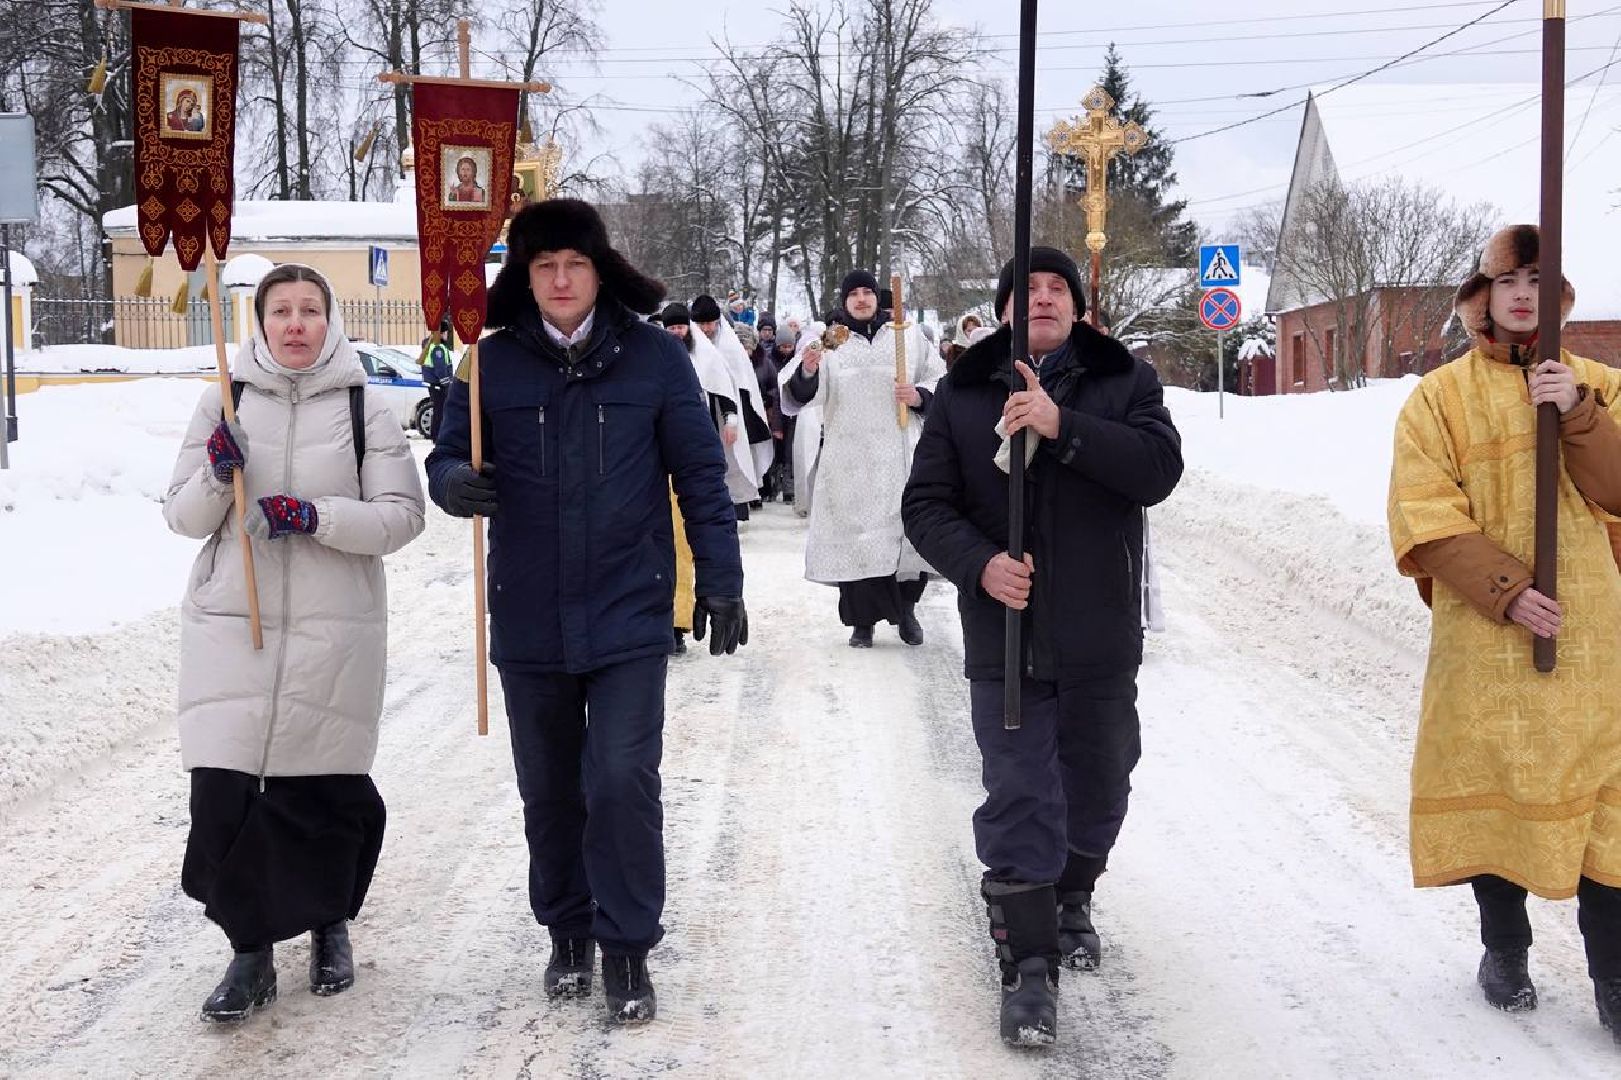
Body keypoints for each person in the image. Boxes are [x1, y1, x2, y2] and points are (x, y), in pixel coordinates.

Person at [425, 199, 747, 1026]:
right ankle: (567, 931)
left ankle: (627, 944)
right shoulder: (489, 363)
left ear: (600, 272)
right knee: (549, 789)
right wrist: (454, 483)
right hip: (529, 610)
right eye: (545, 266)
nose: (561, 280)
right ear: (525, 277)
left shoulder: (655, 359)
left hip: (629, 607)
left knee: (620, 779)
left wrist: (721, 580)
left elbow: (699, 475)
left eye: (574, 264)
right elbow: (447, 455)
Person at [901, 246, 1182, 1046]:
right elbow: (925, 506)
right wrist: (979, 565)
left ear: (1079, 306)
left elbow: (1157, 470)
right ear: (1002, 310)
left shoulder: (1125, 382)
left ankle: (1071, 894)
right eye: (1027, 289)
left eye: (1059, 287)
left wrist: (1063, 427)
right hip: (1007, 635)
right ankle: (1027, 965)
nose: (1044, 298)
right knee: (1021, 790)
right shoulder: (963, 392)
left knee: (1099, 785)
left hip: (1099, 630)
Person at [162, 263, 426, 1023]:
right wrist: (218, 477)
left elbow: (402, 517)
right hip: (231, 625)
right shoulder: (225, 397)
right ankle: (249, 953)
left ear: (330, 319)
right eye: (281, 310)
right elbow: (180, 516)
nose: (296, 324)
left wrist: (313, 516)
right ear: (261, 321)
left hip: (331, 625)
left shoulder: (362, 405)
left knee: (318, 793)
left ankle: (328, 921)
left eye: (311, 309)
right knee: (222, 791)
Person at [1387, 224, 1621, 1040]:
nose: (1522, 295)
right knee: (1496, 783)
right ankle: (1505, 948)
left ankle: (1613, 977)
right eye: (1507, 280)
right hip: (1486, 633)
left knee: (1607, 806)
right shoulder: (1437, 398)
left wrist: (1578, 413)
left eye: (1537, 280)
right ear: (1480, 297)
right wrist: (1507, 591)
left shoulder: (1599, 384)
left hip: (1591, 636)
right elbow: (1422, 512)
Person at [778, 269, 943, 647]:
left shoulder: (906, 335)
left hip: (898, 452)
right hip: (849, 457)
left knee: (904, 532)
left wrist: (919, 396)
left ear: (876, 297)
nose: (862, 299)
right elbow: (799, 392)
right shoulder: (831, 340)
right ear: (844, 301)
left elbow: (940, 379)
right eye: (854, 294)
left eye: (867, 291)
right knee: (855, 539)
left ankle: (906, 611)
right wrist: (808, 369)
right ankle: (862, 623)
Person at [693, 293, 773, 517]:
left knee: (734, 460)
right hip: (700, 413)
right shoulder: (690, 345)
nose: (706, 329)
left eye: (710, 324)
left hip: (728, 414)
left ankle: (737, 509)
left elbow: (744, 384)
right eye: (701, 324)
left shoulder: (730, 347)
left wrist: (734, 418)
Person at [418, 317, 455, 440]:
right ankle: (437, 436)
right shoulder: (437, 347)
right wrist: (447, 384)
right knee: (440, 411)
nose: (447, 335)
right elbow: (440, 368)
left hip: (434, 384)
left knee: (438, 410)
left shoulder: (433, 344)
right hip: (438, 385)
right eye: (446, 332)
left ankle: (436, 435)